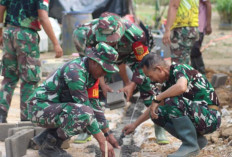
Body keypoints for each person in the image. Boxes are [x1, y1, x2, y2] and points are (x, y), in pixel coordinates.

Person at [73, 12, 169, 144]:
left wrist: (131, 84)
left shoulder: (135, 35)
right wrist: (102, 84)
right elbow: (91, 65)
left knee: (147, 82)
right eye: (104, 39)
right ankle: (86, 128)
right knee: (88, 86)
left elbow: (142, 64)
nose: (108, 42)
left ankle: (159, 123)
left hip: (129, 55)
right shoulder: (87, 34)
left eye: (111, 39)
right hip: (100, 59)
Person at [27, 42, 119, 157]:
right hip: (38, 109)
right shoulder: (75, 73)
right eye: (104, 69)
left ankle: (43, 139)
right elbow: (87, 113)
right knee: (82, 115)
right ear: (94, 62)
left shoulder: (91, 74)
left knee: (84, 114)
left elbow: (94, 105)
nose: (105, 73)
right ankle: (49, 148)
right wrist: (102, 142)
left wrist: (107, 133)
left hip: (51, 108)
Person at [123, 53, 221, 157]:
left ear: (159, 69)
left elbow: (181, 87)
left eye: (150, 76)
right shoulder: (167, 82)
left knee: (171, 100)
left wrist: (158, 97)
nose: (151, 80)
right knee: (156, 113)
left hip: (210, 117)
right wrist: (134, 125)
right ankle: (197, 141)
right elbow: (155, 106)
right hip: (199, 117)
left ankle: (190, 145)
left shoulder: (179, 69)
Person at [0, 0, 63, 123]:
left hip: (9, 32)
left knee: (8, 77)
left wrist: (1, 31)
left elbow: (1, 9)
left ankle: (1, 116)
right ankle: (26, 119)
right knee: (30, 79)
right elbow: (43, 17)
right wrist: (56, 43)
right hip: (26, 36)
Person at [162, 0, 199, 65]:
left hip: (181, 29)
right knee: (185, 61)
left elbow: (174, 6)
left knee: (178, 64)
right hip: (192, 27)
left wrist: (167, 29)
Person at [191, 0, 212, 74]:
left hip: (199, 26)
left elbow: (208, 4)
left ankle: (202, 73)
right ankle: (195, 74)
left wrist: (208, 25)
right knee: (191, 52)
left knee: (195, 50)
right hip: (190, 27)